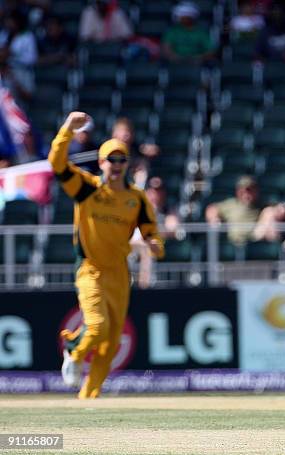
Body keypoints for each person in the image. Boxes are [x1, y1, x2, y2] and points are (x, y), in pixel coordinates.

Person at [48, 111, 164, 399]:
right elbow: (57, 163)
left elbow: (150, 229)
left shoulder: (135, 198)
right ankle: (73, 350)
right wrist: (67, 130)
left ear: (127, 164)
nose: (115, 164)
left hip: (120, 274)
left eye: (121, 159)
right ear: (100, 162)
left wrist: (155, 244)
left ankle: (90, 398)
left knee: (111, 342)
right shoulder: (87, 188)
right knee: (97, 326)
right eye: (110, 159)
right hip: (90, 269)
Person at [205, 175, 285, 246]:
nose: (246, 193)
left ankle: (278, 250)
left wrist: (282, 210)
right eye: (243, 190)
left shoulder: (262, 204)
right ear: (238, 191)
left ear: (256, 191)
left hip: (256, 239)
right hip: (237, 241)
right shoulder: (231, 204)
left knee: (269, 212)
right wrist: (214, 219)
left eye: (250, 190)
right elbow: (212, 208)